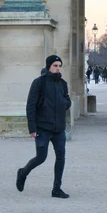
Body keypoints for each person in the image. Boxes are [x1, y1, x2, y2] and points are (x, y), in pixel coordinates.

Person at [16, 55, 71, 198]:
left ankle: (56, 189)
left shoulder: (63, 83)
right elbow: (30, 106)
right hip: (42, 127)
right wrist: (32, 128)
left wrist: (65, 103)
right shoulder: (39, 83)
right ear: (48, 66)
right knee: (41, 157)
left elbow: (67, 100)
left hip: (59, 128)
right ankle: (23, 172)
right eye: (55, 65)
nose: (58, 68)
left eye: (59, 66)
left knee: (61, 157)